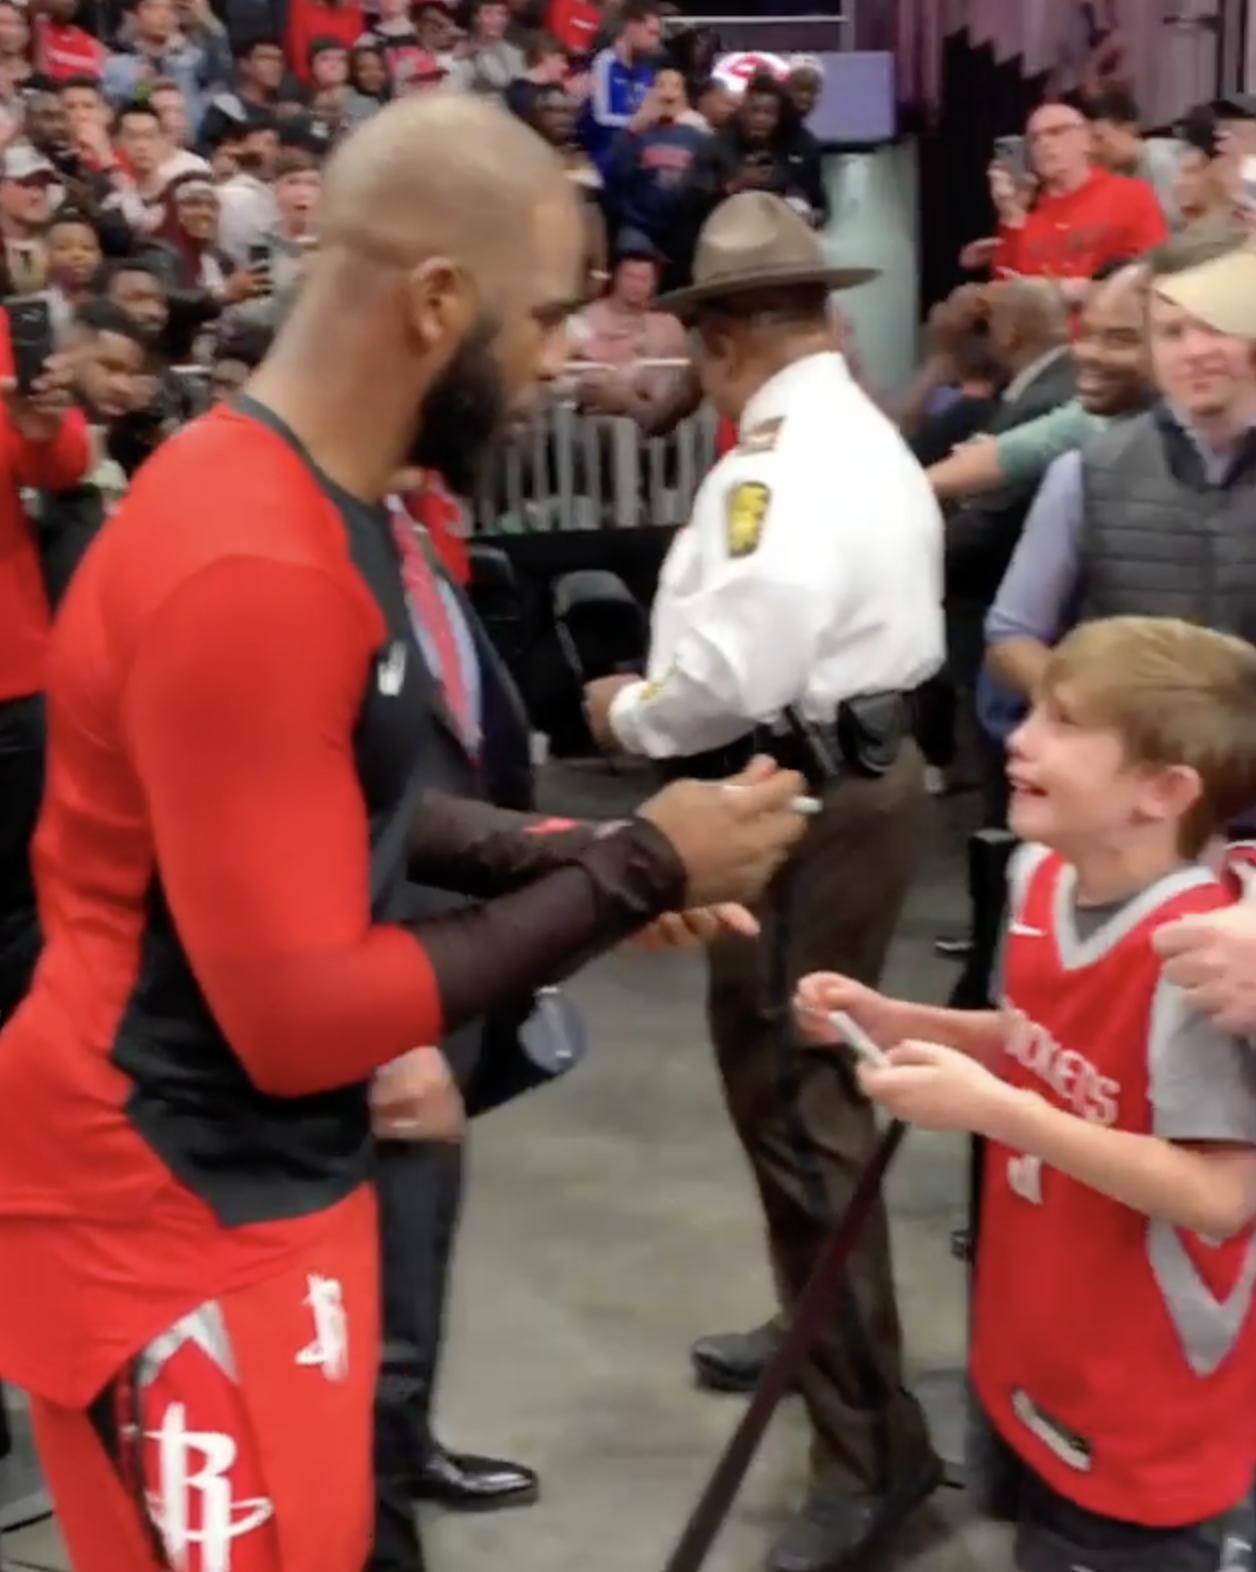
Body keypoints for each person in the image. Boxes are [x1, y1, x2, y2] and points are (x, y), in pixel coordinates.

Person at [0, 95, 811, 1572]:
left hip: (248, 1184)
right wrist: (640, 866)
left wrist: (567, 857)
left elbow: (325, 797)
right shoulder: (253, 560)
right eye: (546, 316)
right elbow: (302, 1019)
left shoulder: (299, 493)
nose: (558, 360)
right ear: (438, 303)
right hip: (170, 1207)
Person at [582, 192, 946, 1572]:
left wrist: (627, 713)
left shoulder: (778, 466)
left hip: (801, 793)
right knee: (794, 1092)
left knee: (799, 1111)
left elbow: (730, 672)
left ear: (721, 337)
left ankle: (873, 1450)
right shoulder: (850, 428)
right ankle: (816, 1326)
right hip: (857, 776)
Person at [799, 614, 1256, 1572]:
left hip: (1144, 1392)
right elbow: (1037, 1040)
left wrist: (993, 1111)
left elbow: (1220, 1196)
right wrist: (902, 1021)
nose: (1020, 737)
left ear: (1163, 790)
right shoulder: (1039, 874)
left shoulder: (1204, 959)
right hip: (1036, 1342)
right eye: (1035, 709)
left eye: (1065, 722)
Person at [990, 101, 1166, 292]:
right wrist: (1010, 214)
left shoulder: (1131, 194)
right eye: (1034, 139)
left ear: (1086, 140)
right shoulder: (1023, 214)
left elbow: (1154, 268)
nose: (1043, 143)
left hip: (1111, 306)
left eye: (1056, 132)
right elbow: (1002, 290)